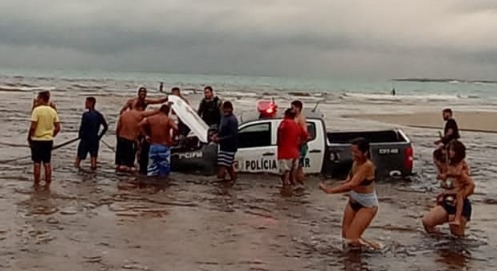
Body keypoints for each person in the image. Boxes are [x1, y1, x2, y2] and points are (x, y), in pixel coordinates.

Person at [319, 138, 378, 247]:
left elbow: (352, 185)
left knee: (352, 238)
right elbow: (348, 181)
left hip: (367, 205)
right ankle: (363, 251)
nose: (353, 154)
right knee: (346, 236)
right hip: (353, 200)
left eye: (356, 152)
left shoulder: (367, 166)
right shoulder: (355, 163)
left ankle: (373, 249)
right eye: (352, 151)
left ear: (364, 152)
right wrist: (332, 184)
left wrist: (330, 191)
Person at [422, 140, 475, 237]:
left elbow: (471, 185)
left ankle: (456, 250)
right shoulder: (447, 171)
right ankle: (442, 244)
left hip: (459, 204)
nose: (436, 164)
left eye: (437, 162)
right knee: (427, 222)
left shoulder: (459, 171)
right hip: (446, 202)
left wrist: (461, 196)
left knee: (456, 236)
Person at [27, 91, 61, 188]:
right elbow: (58, 127)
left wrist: (29, 137)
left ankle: (36, 183)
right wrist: (51, 135)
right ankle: (48, 183)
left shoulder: (37, 110)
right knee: (47, 162)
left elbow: (33, 126)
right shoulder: (53, 111)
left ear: (41, 99)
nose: (37, 99)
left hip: (37, 139)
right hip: (48, 140)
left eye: (38, 98)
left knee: (37, 163)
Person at [115, 107, 160, 172]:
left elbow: (118, 127)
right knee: (129, 165)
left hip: (121, 138)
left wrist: (117, 136)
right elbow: (151, 113)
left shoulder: (124, 114)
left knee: (119, 164)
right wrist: (160, 110)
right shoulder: (139, 114)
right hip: (131, 139)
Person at [138, 104, 178, 177]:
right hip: (164, 146)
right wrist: (173, 138)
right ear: (167, 111)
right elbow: (176, 128)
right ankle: (162, 186)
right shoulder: (168, 119)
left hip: (153, 146)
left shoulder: (151, 118)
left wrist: (146, 136)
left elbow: (140, 125)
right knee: (164, 170)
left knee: (152, 169)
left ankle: (151, 186)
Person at [74, 97, 108, 170]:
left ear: (91, 103)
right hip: (95, 139)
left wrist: (80, 135)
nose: (85, 104)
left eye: (87, 103)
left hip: (85, 139)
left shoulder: (86, 115)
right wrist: (99, 136)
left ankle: (76, 173)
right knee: (93, 158)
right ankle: (93, 175)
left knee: (78, 159)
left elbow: (82, 126)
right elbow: (105, 127)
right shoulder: (99, 115)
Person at [277, 108, 308, 187]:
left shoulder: (284, 123)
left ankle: (286, 194)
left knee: (285, 177)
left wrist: (279, 143)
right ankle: (294, 196)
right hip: (295, 154)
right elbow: (306, 136)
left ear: (286, 115)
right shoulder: (297, 125)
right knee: (292, 179)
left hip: (284, 154)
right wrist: (298, 143)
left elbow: (280, 132)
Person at [211, 101, 238, 183]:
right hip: (223, 146)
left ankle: (220, 184)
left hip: (230, 147)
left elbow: (233, 135)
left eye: (227, 109)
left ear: (231, 109)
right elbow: (221, 130)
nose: (225, 111)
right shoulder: (223, 118)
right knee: (228, 166)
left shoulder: (232, 120)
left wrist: (220, 139)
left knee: (222, 166)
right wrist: (216, 135)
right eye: (224, 109)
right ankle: (233, 181)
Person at [433, 108, 461, 175]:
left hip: (451, 144)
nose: (443, 116)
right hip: (451, 143)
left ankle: (444, 171)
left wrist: (441, 140)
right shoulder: (451, 122)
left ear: (448, 114)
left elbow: (450, 133)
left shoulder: (451, 122)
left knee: (437, 154)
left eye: (444, 114)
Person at [291, 100, 309, 184]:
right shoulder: (296, 117)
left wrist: (299, 143)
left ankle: (297, 183)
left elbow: (304, 133)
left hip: (301, 146)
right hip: (298, 145)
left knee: (297, 166)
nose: (291, 109)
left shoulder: (300, 118)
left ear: (298, 108)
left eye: (293, 108)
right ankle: (300, 183)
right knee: (298, 166)